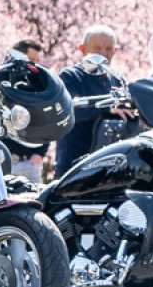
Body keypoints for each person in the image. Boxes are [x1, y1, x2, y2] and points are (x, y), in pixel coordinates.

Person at [53, 26, 133, 175]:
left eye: (108, 49)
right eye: (97, 49)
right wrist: (107, 108)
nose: (103, 54)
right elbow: (66, 111)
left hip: (110, 163)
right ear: (82, 49)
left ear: (115, 52)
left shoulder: (117, 79)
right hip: (74, 162)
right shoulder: (70, 76)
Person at [5, 37, 50, 182]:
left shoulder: (40, 88)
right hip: (2, 161)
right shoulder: (1, 83)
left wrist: (40, 154)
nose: (35, 65)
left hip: (29, 162)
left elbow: (47, 121)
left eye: (37, 60)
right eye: (32, 60)